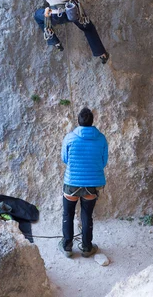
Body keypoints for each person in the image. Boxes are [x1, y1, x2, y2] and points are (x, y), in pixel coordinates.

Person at [59, 107, 108, 258]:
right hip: (92, 184)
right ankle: (87, 247)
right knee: (87, 215)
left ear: (79, 121)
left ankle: (67, 246)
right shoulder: (101, 138)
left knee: (68, 213)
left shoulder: (70, 137)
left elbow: (65, 159)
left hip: (72, 182)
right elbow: (103, 162)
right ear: (92, 121)